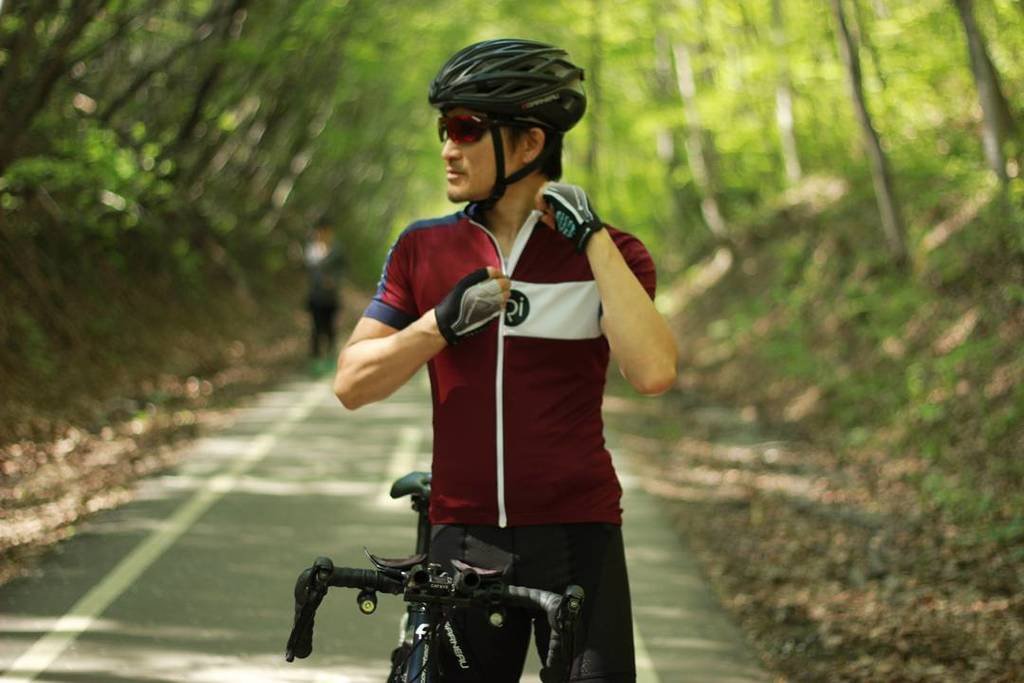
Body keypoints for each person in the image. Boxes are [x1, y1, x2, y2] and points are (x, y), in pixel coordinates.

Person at [334, 38, 677, 682]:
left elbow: (654, 372)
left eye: (466, 128)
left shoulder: (615, 255)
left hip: (578, 535)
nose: (448, 147)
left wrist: (592, 238)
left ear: (528, 143)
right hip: (464, 536)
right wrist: (438, 324)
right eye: (444, 129)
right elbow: (351, 384)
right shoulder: (423, 249)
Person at [304, 218, 343, 358]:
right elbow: (309, 270)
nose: (322, 234)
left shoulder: (337, 250)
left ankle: (331, 356)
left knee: (330, 327)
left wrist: (334, 280)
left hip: (331, 297)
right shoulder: (312, 250)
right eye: (320, 231)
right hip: (315, 296)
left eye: (325, 231)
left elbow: (343, 270)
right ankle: (315, 358)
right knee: (316, 328)